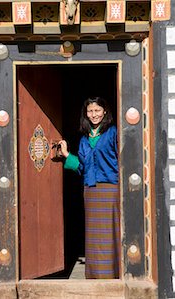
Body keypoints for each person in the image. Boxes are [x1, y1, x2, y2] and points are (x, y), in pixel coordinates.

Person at [58, 96, 120, 279]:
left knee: (109, 233)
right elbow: (83, 167)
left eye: (97, 110)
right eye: (90, 111)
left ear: (105, 112)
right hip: (91, 191)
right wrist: (67, 154)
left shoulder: (114, 133)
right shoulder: (85, 139)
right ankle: (94, 275)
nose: (94, 115)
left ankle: (111, 273)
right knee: (94, 236)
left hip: (110, 189)